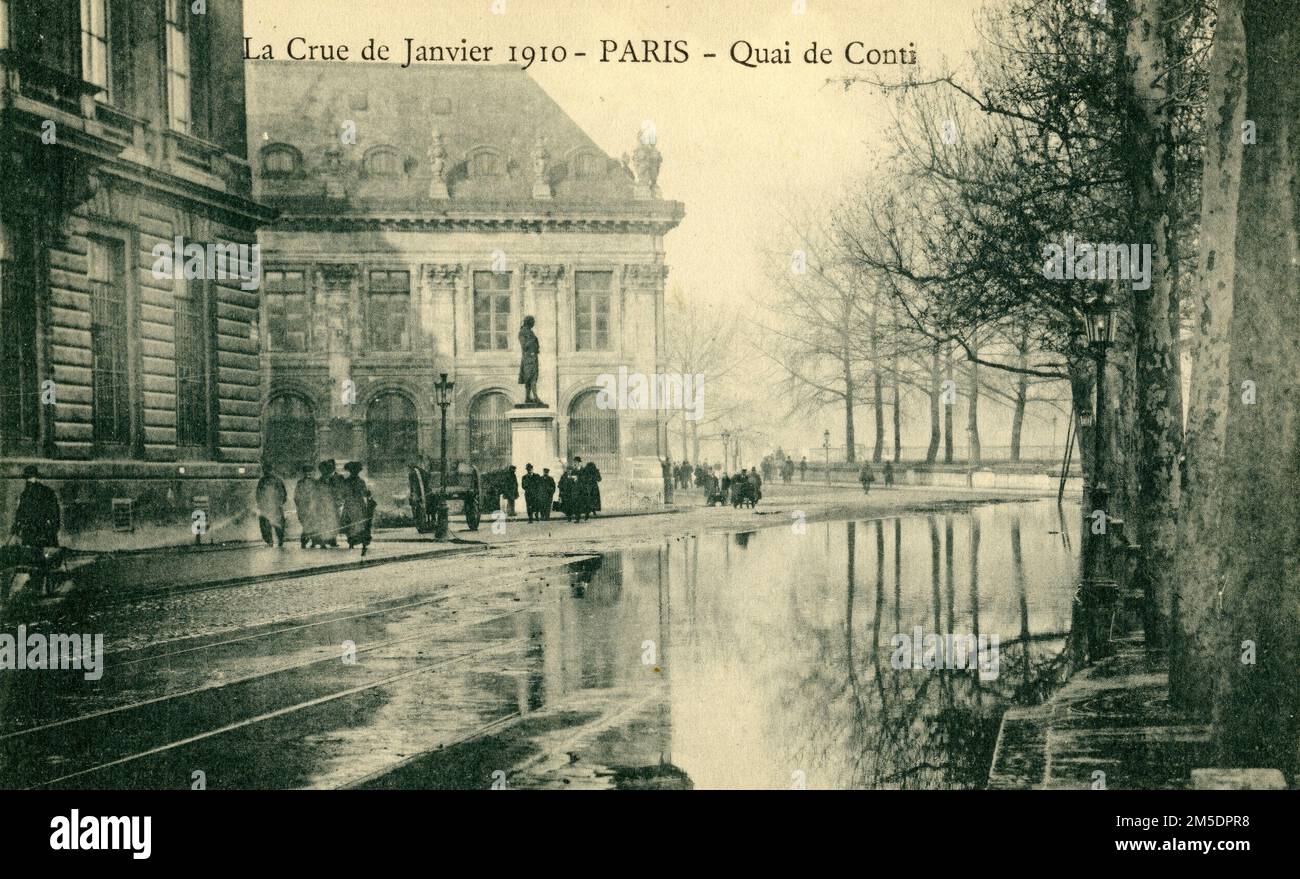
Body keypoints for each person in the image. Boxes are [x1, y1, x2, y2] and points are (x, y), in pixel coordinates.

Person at [10, 465, 60, 550]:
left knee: (35, 554)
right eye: (28, 478)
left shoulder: (27, 494)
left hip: (37, 530)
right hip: (40, 530)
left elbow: (21, 513)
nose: (29, 481)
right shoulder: (46, 491)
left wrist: (17, 525)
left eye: (30, 478)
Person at [339, 461, 375, 555]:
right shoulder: (359, 481)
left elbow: (343, 494)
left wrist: (367, 494)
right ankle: (357, 542)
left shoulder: (348, 481)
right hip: (356, 505)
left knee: (354, 523)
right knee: (357, 523)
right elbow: (364, 493)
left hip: (354, 505)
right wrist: (368, 494)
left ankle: (352, 542)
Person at [255, 464, 287, 547]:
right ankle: (277, 540)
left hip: (269, 506)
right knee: (277, 524)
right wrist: (280, 503)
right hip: (274, 506)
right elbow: (283, 494)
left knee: (267, 525)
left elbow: (258, 494)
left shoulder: (263, 481)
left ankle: (271, 541)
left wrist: (260, 504)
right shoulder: (277, 480)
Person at [313, 460, 343, 547]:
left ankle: (332, 540)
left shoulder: (334, 478)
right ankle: (324, 541)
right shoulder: (320, 480)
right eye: (322, 469)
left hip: (333, 503)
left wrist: (338, 500)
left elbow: (338, 491)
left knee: (333, 522)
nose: (324, 471)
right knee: (324, 523)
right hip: (323, 504)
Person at [294, 464, 317, 547]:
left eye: (310, 472)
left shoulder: (316, 482)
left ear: (312, 472)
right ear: (304, 473)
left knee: (314, 524)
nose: (308, 473)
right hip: (303, 508)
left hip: (314, 507)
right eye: (306, 472)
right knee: (306, 524)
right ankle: (304, 542)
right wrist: (299, 504)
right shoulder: (300, 483)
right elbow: (296, 495)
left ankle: (314, 542)